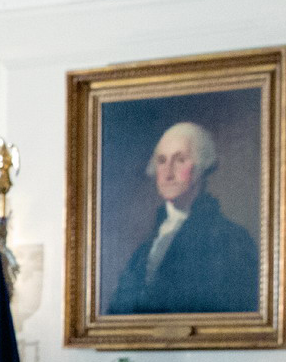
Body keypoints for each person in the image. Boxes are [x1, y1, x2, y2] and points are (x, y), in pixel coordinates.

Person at [107, 120, 260, 315]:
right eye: (162, 161)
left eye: (180, 160)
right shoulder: (144, 251)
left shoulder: (232, 240)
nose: (168, 173)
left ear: (201, 167)